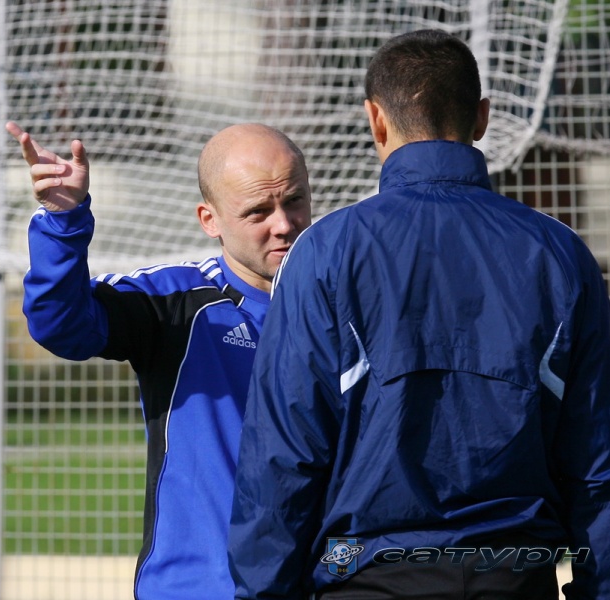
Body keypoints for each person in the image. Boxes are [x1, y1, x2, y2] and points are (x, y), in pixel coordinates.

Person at [228, 29, 610, 600]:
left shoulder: (326, 251)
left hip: (368, 577)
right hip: (515, 576)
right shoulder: (561, 254)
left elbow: (282, 454)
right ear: (482, 117)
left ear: (376, 121)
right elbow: (596, 461)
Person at [6, 120, 312, 600]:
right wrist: (63, 223)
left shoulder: (349, 306)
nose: (283, 224)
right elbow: (61, 324)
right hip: (199, 589)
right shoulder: (175, 301)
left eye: (293, 200)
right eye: (258, 211)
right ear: (209, 220)